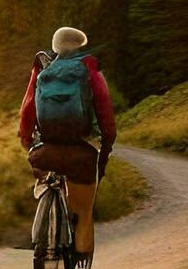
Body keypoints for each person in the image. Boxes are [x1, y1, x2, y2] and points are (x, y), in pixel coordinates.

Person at [18, 26, 116, 255]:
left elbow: (28, 108)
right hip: (79, 151)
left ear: (55, 47)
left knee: (43, 167)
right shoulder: (88, 69)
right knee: (83, 210)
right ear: (81, 47)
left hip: (45, 150)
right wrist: (107, 143)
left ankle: (44, 215)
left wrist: (27, 140)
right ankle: (81, 252)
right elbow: (105, 113)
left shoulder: (43, 69)